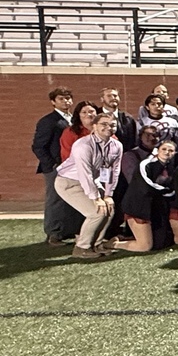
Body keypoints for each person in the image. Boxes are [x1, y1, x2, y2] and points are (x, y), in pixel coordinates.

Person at [54, 113, 123, 258]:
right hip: (69, 182)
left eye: (112, 125)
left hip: (92, 181)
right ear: (94, 126)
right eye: (104, 124)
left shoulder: (116, 145)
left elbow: (113, 171)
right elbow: (84, 173)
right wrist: (96, 198)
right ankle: (81, 247)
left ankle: (96, 244)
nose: (108, 127)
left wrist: (108, 195)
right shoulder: (83, 145)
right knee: (96, 212)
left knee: (109, 210)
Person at [110, 140, 178, 252]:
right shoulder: (146, 164)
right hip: (138, 207)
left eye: (171, 150)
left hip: (154, 208)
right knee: (145, 246)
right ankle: (114, 244)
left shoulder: (170, 167)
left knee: (160, 243)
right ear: (157, 150)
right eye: (164, 149)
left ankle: (124, 238)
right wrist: (167, 192)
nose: (167, 152)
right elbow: (147, 186)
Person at [33, 86, 75, 245]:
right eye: (61, 99)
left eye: (68, 98)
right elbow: (38, 146)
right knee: (55, 199)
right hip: (56, 167)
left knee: (71, 199)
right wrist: (52, 165)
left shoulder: (73, 119)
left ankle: (67, 230)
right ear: (53, 102)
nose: (66, 101)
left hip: (72, 166)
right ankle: (53, 234)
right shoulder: (48, 121)